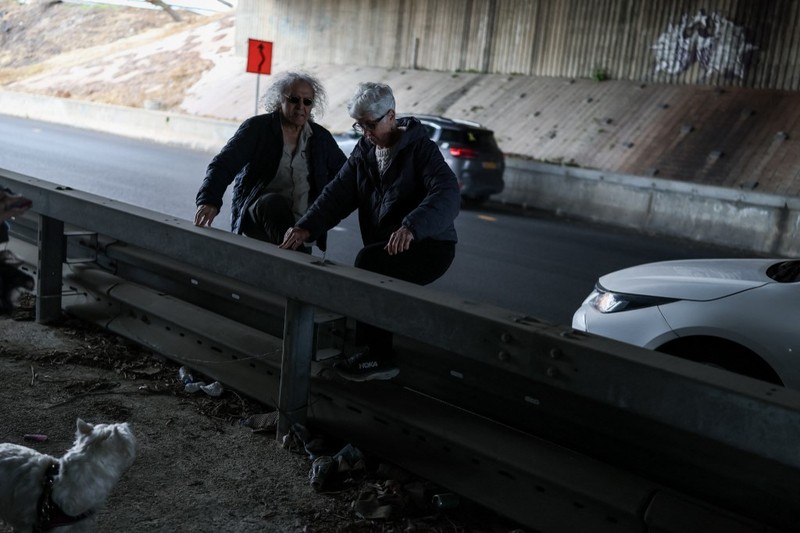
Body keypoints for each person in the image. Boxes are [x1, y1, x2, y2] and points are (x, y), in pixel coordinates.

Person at [280, 82, 460, 381]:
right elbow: (338, 193)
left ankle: (379, 357)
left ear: (391, 116)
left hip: (431, 245)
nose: (366, 133)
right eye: (360, 126)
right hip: (389, 246)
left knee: (370, 264)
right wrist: (305, 227)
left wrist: (412, 226)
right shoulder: (365, 150)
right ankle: (373, 352)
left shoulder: (420, 149)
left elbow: (447, 193)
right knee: (374, 266)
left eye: (371, 125)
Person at [194, 71, 346, 250]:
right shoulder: (257, 128)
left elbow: (345, 177)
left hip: (300, 227)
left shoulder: (321, 139)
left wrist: (320, 216)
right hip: (259, 214)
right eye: (294, 99)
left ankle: (296, 257)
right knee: (274, 203)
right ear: (280, 99)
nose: (300, 106)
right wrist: (209, 200)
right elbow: (224, 163)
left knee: (295, 242)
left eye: (307, 102)